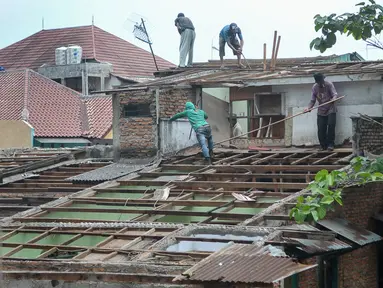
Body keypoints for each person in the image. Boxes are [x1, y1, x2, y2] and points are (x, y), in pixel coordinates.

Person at [304, 73, 338, 151]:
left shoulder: (329, 84)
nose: (321, 83)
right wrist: (308, 108)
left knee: (331, 126)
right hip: (321, 110)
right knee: (321, 128)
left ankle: (330, 145)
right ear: (317, 82)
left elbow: (335, 94)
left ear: (323, 79)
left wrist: (333, 99)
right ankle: (323, 145)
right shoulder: (315, 87)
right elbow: (312, 100)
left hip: (331, 109)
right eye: (319, 82)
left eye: (322, 81)